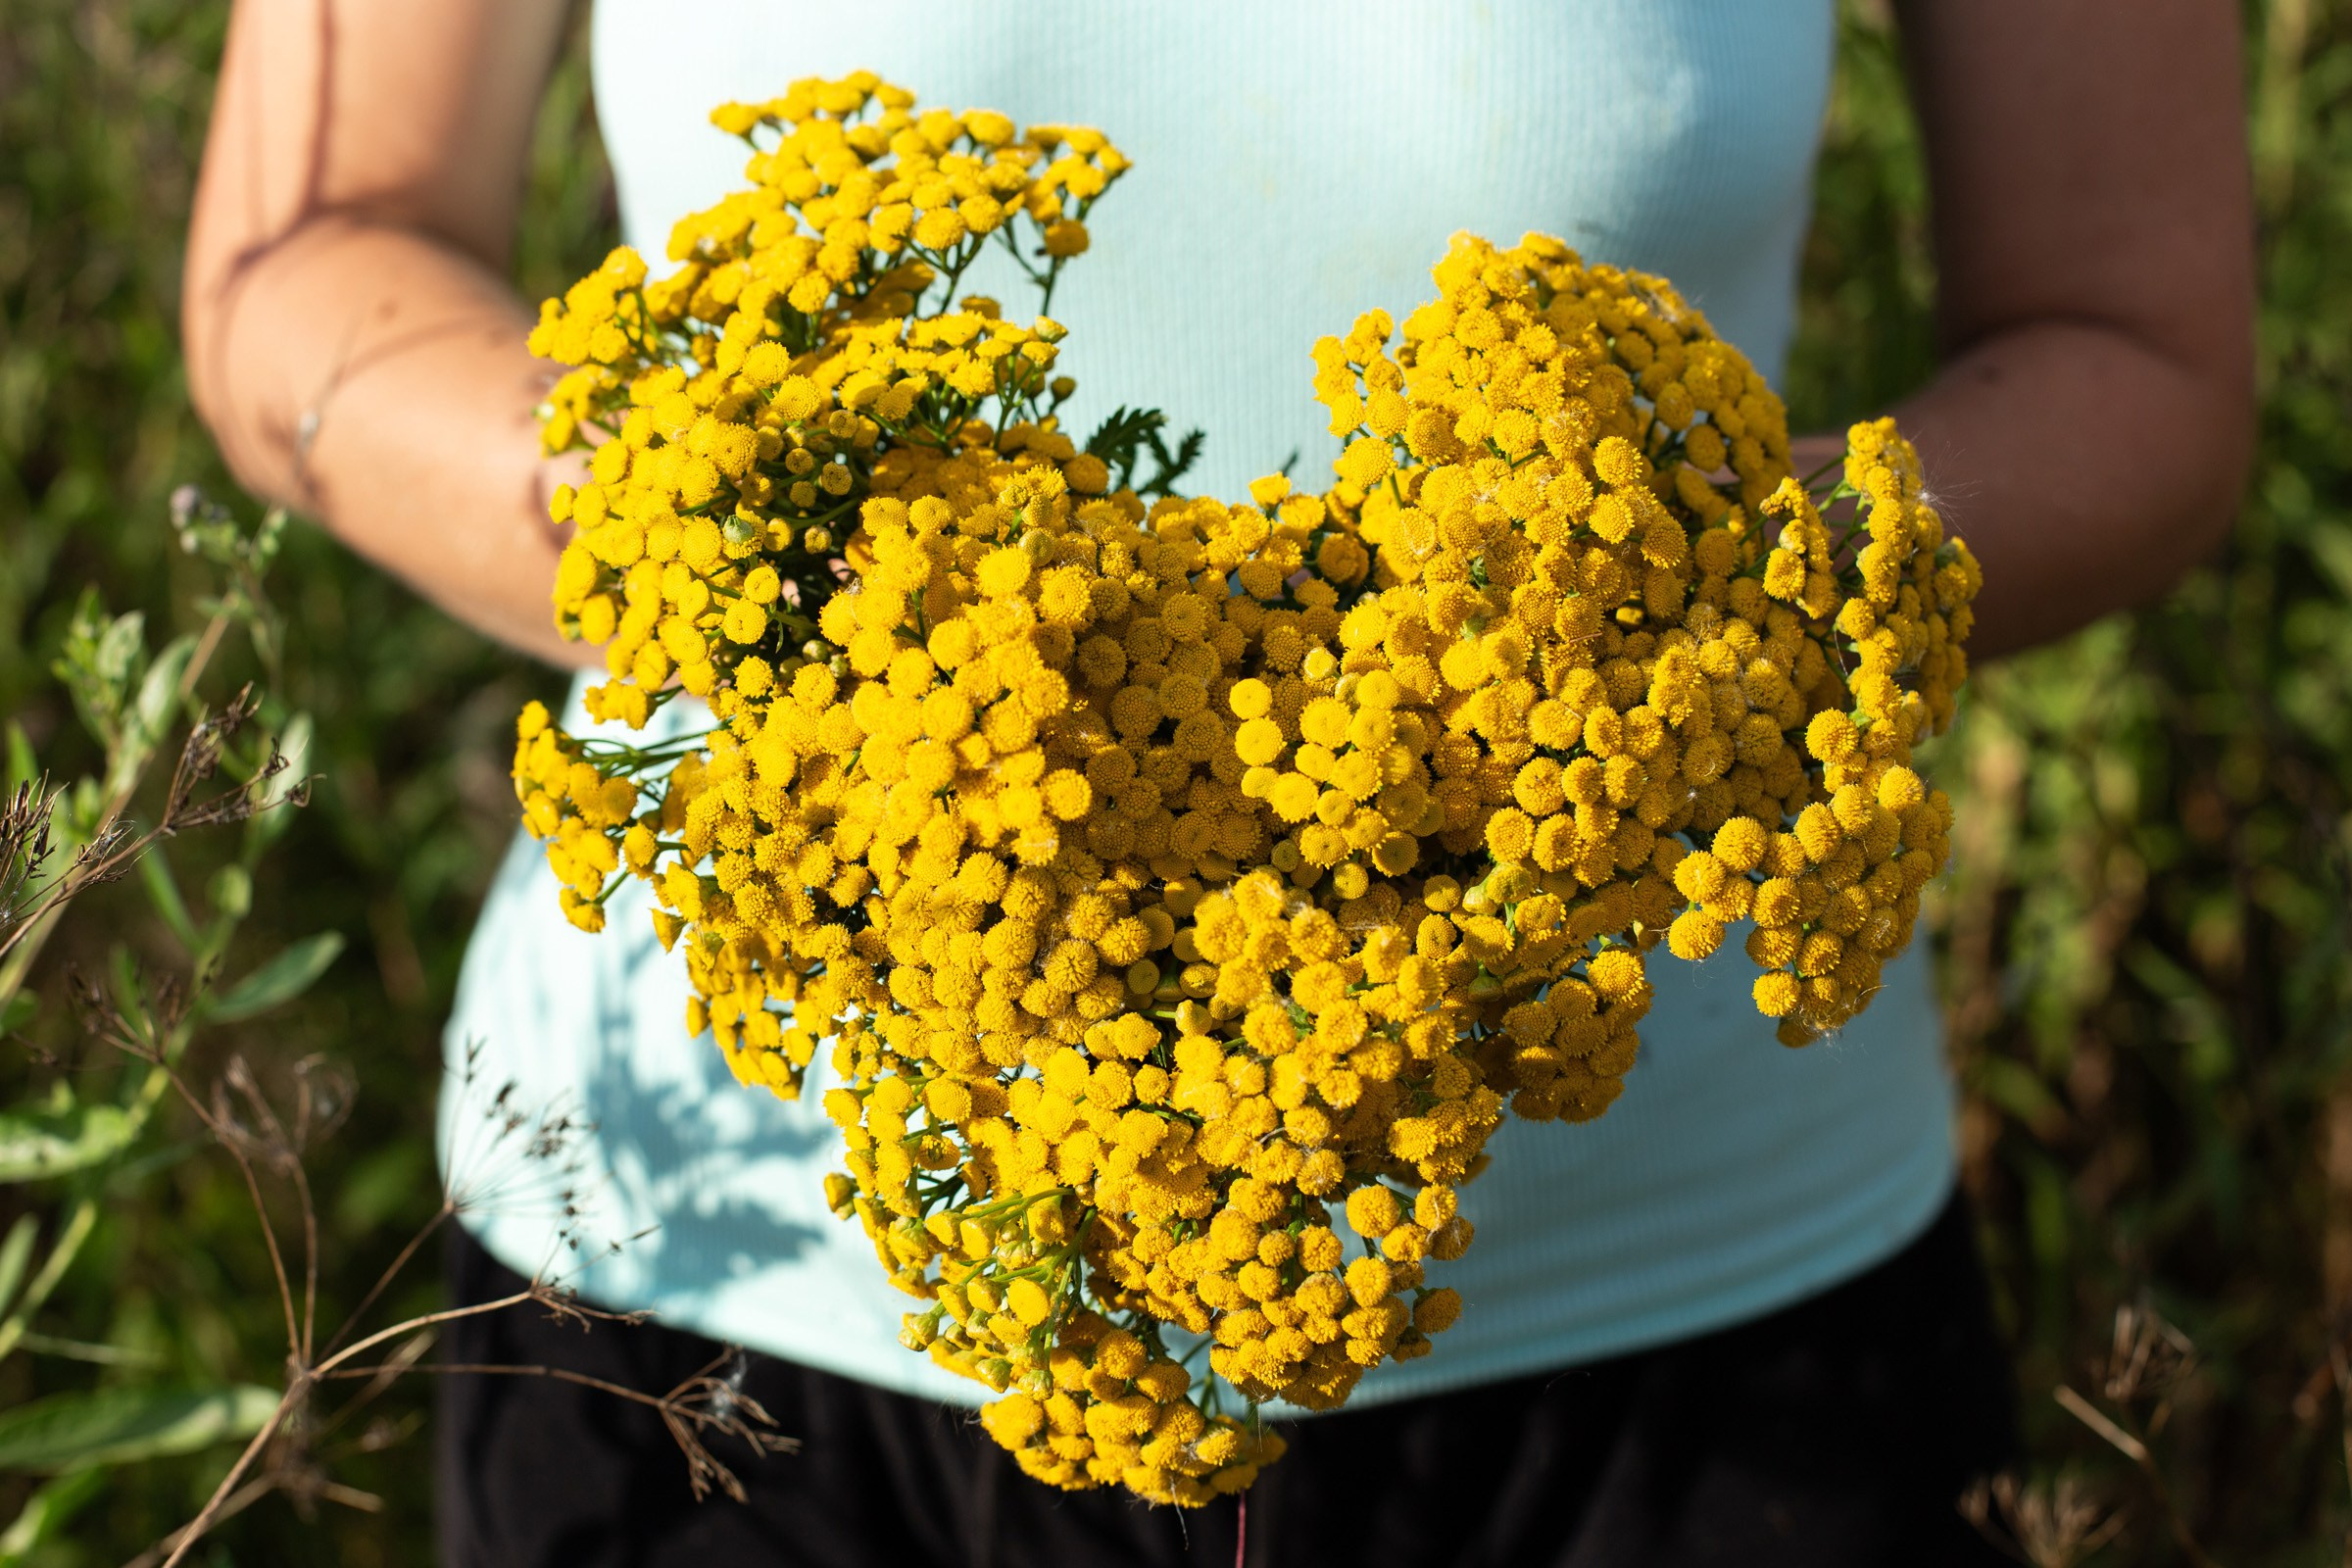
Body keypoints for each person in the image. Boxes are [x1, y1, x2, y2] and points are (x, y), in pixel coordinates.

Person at [183, 2, 2256, 1563]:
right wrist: (789, 597)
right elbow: (305, 257)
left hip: (1696, 1314)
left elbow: (2130, 346)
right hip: (718, 1308)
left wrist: (1643, 630)